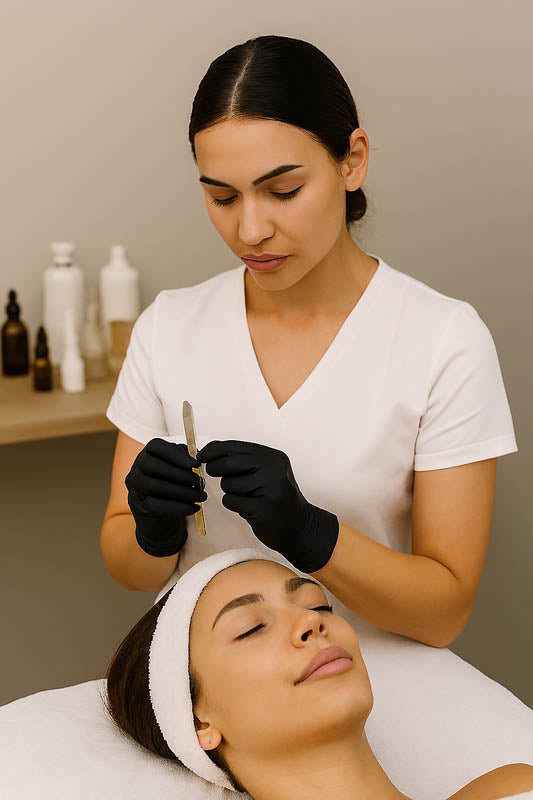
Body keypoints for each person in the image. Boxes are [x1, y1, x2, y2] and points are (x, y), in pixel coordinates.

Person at [99, 33, 533, 781]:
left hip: (373, 670)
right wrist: (150, 525)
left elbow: (443, 610)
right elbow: (134, 573)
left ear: (351, 160)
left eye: (282, 189)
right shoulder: (170, 327)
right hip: (234, 697)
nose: (250, 230)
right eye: (220, 195)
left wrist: (311, 532)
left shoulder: (439, 339)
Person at [103, 549, 533, 799]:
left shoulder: (512, 785)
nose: (311, 623)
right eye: (252, 627)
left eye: (318, 605)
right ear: (199, 721)